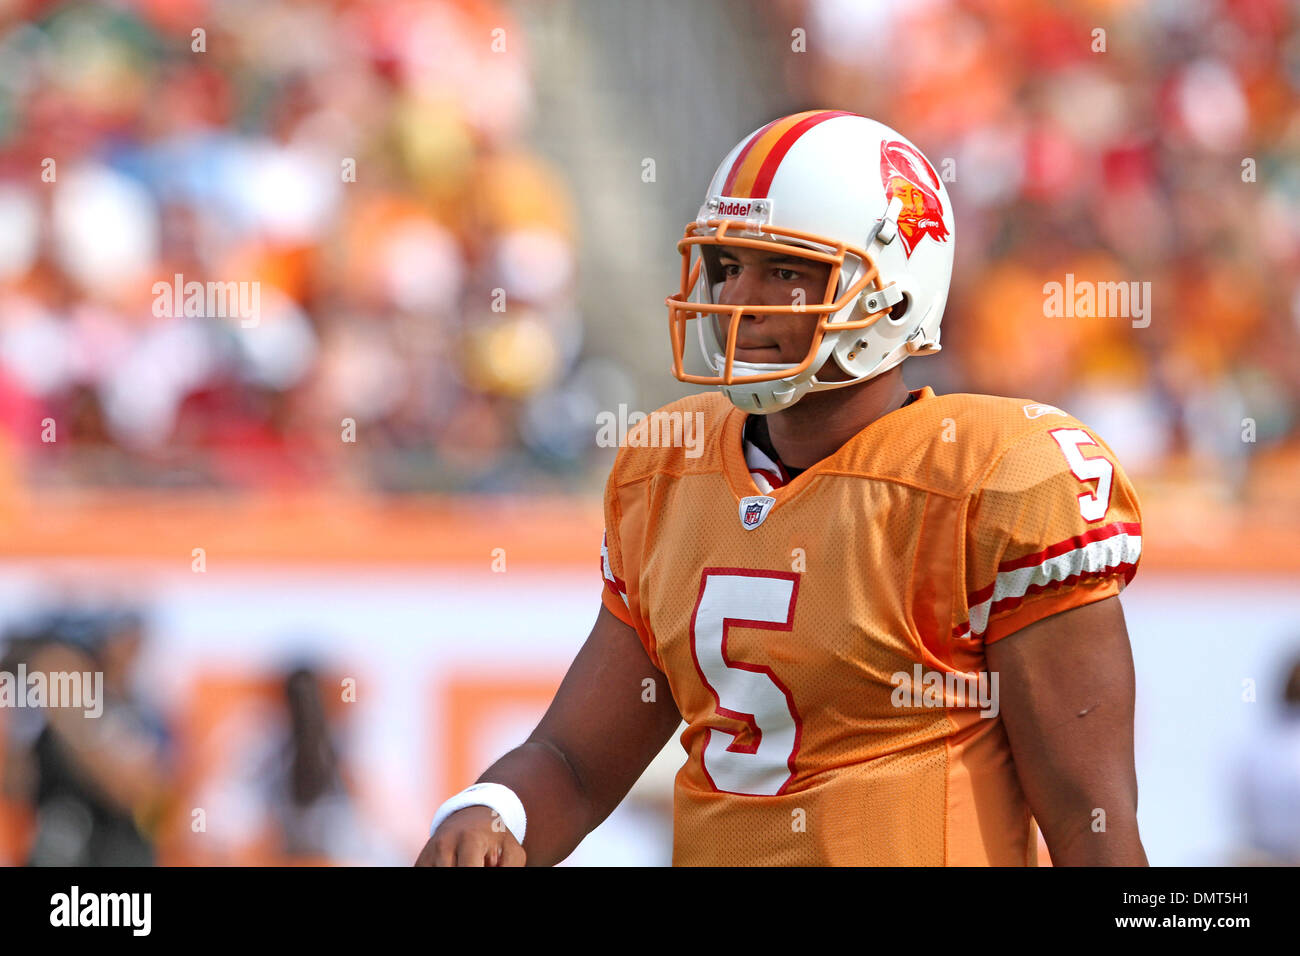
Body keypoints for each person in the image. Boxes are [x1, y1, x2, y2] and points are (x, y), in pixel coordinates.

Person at [418, 110, 1147, 866]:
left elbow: (1090, 825)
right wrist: (494, 808)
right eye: (729, 267)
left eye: (785, 271)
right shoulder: (670, 470)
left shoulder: (1000, 477)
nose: (739, 299)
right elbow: (575, 762)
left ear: (893, 294)